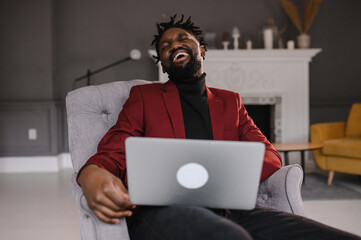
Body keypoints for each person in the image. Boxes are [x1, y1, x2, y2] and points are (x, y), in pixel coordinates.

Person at [77, 15, 360, 240]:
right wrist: (89, 174)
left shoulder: (230, 101)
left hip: (232, 208)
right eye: (165, 46)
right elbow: (114, 150)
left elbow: (268, 155)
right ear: (162, 62)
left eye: (181, 38)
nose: (173, 45)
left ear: (202, 49)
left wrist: (223, 178)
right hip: (162, 212)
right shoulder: (144, 98)